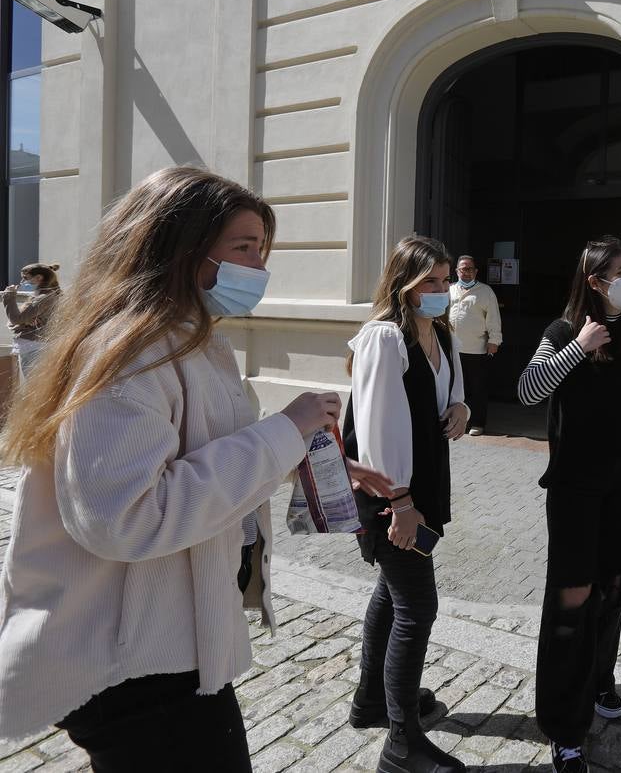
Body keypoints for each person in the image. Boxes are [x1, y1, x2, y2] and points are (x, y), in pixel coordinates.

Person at [0, 166, 393, 771]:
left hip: (161, 646)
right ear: (180, 246)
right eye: (243, 247)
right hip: (129, 664)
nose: (258, 267)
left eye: (263, 249)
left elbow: (195, 450)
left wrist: (304, 459)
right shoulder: (130, 352)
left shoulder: (190, 337)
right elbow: (126, 517)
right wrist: (283, 431)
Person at [516, 236, 621, 773]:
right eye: (620, 271)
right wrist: (578, 348)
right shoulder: (563, 332)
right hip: (575, 480)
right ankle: (564, 724)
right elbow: (529, 390)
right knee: (573, 593)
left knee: (614, 582)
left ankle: (600, 677)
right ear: (595, 281)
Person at [344, 235, 471, 773]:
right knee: (417, 607)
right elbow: (375, 427)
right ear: (404, 284)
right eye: (430, 282)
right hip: (392, 494)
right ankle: (402, 742)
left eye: (446, 280)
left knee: (391, 596)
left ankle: (372, 700)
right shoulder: (384, 338)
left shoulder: (438, 331)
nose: (441, 290)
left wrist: (461, 406)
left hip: (421, 489)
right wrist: (399, 501)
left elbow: (451, 389)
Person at [447, 255, 501, 436]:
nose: (466, 272)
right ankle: (456, 421)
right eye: (463, 269)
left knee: (477, 388)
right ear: (456, 271)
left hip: (476, 349)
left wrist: (494, 340)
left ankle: (477, 422)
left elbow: (493, 319)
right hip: (452, 348)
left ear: (476, 271)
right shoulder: (449, 290)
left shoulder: (485, 292)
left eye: (470, 269)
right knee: (455, 388)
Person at [4, 261, 62, 376]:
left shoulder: (43, 297)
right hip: (35, 345)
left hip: (34, 346)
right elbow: (17, 321)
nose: (22, 282)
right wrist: (23, 321)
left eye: (26, 278)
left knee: (32, 386)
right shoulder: (44, 295)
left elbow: (16, 319)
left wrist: (8, 296)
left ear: (39, 278)